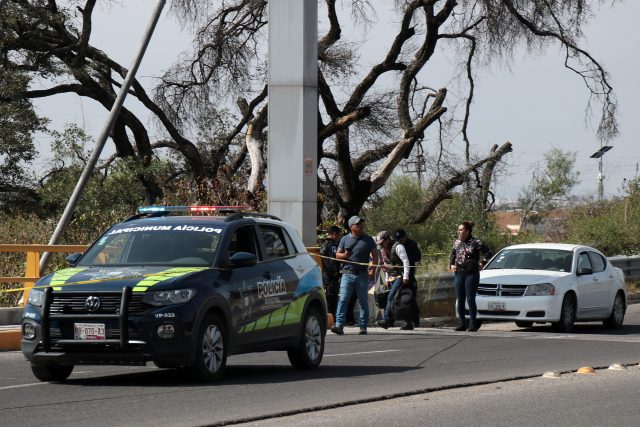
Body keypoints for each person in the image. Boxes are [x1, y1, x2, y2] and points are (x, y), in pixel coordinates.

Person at [331, 215, 378, 335]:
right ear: (351, 226)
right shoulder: (344, 239)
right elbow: (337, 255)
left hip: (362, 274)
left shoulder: (368, 239)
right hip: (347, 274)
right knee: (343, 299)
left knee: (363, 301)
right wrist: (345, 255)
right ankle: (339, 325)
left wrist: (372, 270)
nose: (361, 226)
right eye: (358, 224)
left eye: (361, 223)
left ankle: (363, 326)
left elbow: (375, 256)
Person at [449, 221, 493, 332]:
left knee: (470, 298)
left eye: (461, 230)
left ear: (467, 231)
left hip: (471, 273)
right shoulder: (457, 242)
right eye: (458, 230)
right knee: (460, 298)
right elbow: (453, 254)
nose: (459, 232)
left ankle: (473, 324)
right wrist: (451, 264)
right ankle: (461, 323)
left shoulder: (475, 242)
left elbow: (488, 252)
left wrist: (482, 263)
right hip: (459, 272)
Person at [376, 230, 414, 330]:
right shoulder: (385, 249)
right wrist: (387, 278)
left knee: (390, 297)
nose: (381, 245)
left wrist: (406, 276)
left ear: (387, 239)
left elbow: (406, 261)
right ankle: (408, 323)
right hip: (392, 276)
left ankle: (386, 320)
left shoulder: (398, 247)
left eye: (382, 242)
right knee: (401, 300)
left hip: (400, 276)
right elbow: (389, 265)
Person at [393, 229, 422, 325]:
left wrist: (405, 258)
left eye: (401, 240)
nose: (400, 242)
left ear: (405, 237)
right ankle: (404, 320)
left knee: (411, 297)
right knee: (401, 298)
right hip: (399, 274)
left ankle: (415, 319)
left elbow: (418, 257)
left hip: (409, 274)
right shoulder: (397, 245)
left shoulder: (412, 244)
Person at [320, 225, 342, 318]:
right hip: (331, 276)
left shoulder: (324, 243)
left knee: (329, 297)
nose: (338, 238)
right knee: (332, 298)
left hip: (326, 274)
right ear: (334, 234)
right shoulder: (331, 245)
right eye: (338, 236)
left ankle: (329, 317)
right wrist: (336, 273)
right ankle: (331, 319)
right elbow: (332, 261)